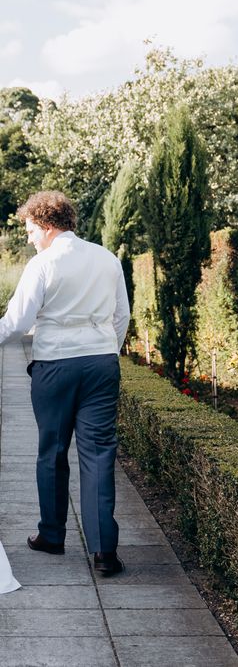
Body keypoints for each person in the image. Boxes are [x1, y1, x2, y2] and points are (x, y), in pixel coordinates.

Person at [0, 190, 130, 577]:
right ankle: (105, 552)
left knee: (52, 451)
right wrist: (105, 350)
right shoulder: (107, 259)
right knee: (98, 454)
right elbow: (121, 315)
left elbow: (18, 323)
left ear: (45, 225)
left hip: (55, 367)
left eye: (29, 230)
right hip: (101, 364)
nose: (28, 237)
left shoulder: (42, 265)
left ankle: (52, 536)